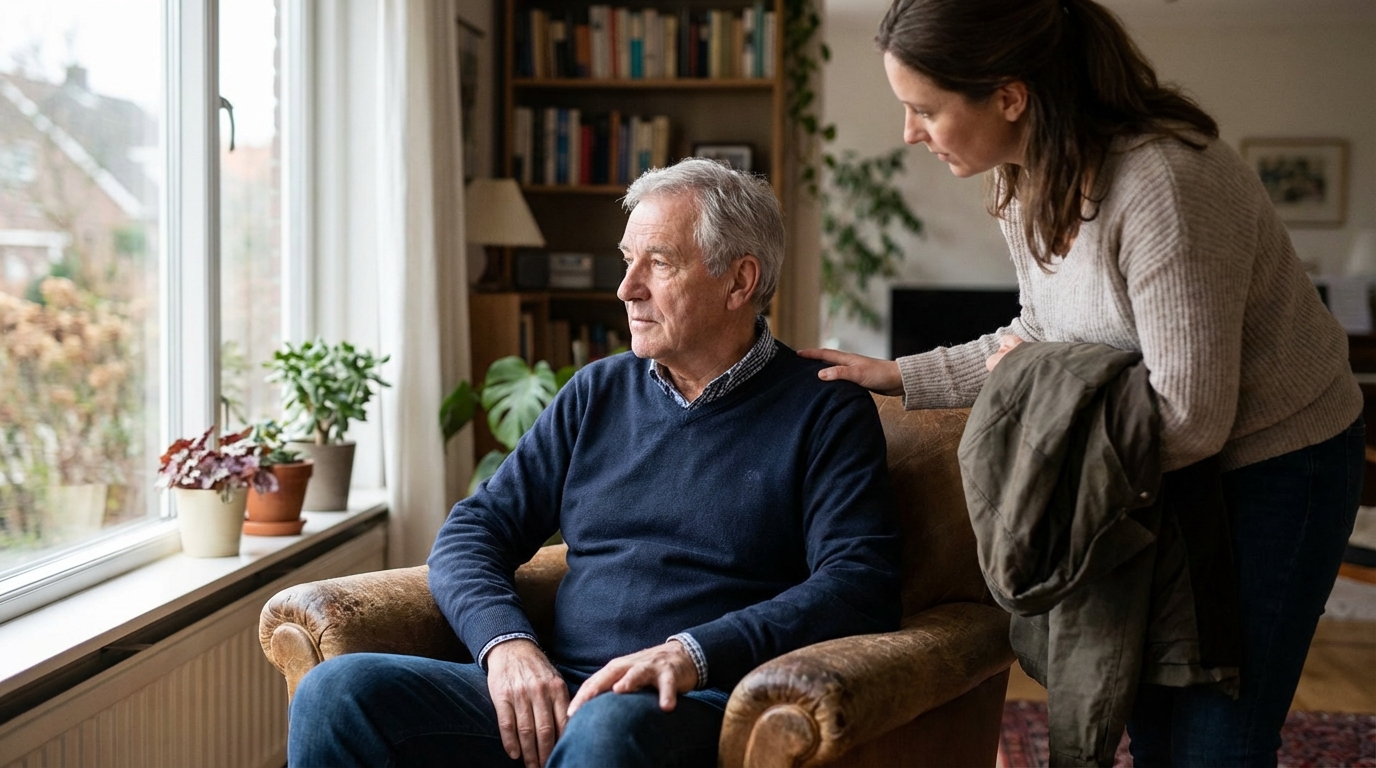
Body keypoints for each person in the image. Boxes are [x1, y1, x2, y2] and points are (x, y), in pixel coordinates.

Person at [800, 0, 1364, 765]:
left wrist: (1027, 380)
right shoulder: (1024, 178)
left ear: (1009, 96)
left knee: (1216, 738)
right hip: (1156, 468)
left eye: (924, 109)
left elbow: (1192, 419)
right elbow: (1039, 332)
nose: (910, 134)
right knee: (1151, 718)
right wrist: (900, 375)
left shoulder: (1164, 182)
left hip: (1271, 465)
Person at [287, 157, 902, 768]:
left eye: (658, 263)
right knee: (337, 692)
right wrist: (507, 648)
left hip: (697, 700)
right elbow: (475, 531)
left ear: (739, 282)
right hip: (561, 691)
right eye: (626, 260)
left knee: (610, 729)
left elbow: (858, 584)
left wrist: (690, 653)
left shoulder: (825, 409)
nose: (626, 288)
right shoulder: (597, 392)